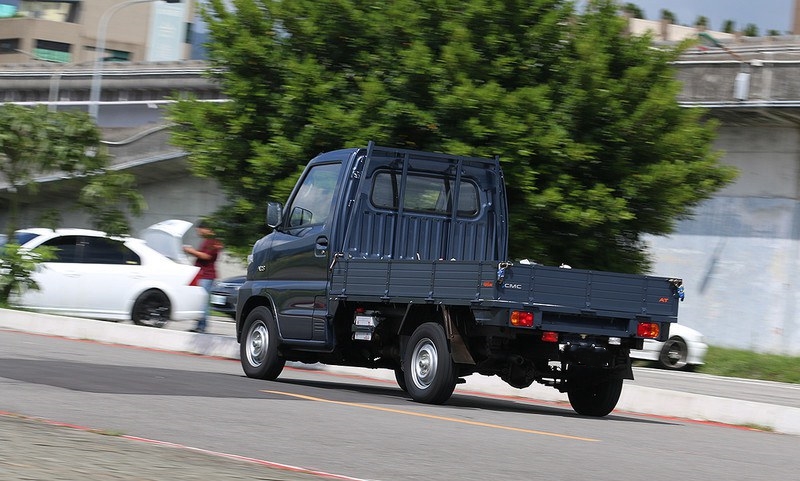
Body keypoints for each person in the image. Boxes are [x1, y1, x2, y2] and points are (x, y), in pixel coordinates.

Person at [183, 219, 223, 333]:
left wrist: (191, 251)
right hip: (202, 275)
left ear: (207, 229)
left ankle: (202, 326)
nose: (198, 231)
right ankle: (199, 325)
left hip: (207, 276)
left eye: (200, 229)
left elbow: (206, 256)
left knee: (203, 302)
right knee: (199, 301)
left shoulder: (213, 242)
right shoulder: (208, 241)